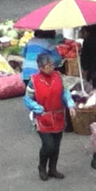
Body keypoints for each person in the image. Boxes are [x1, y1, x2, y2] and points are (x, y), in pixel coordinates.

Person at [23, 53, 76, 181]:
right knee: (48, 145)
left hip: (57, 115)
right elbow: (27, 99)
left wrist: (70, 104)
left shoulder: (58, 77)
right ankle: (42, 167)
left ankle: (53, 168)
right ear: (41, 67)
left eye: (52, 65)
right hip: (43, 118)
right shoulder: (33, 81)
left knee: (56, 145)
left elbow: (65, 93)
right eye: (48, 66)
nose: (51, 67)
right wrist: (37, 108)